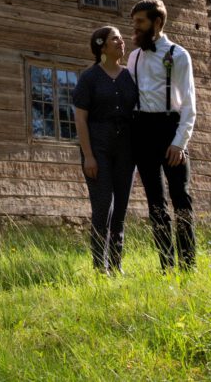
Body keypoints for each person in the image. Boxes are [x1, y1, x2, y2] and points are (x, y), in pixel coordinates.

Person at [127, 0, 197, 270]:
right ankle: (166, 265)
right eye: (134, 23)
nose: (135, 28)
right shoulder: (133, 57)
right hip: (142, 131)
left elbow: (190, 105)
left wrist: (180, 143)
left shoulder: (178, 55)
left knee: (181, 199)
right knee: (155, 202)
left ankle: (188, 265)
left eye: (140, 22)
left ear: (157, 23)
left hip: (170, 128)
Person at [72, 26, 138, 274]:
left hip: (126, 150)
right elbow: (80, 119)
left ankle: (117, 265)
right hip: (97, 147)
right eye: (115, 39)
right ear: (102, 46)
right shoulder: (89, 78)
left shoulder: (131, 76)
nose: (121, 42)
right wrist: (88, 155)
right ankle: (101, 267)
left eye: (121, 38)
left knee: (120, 208)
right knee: (103, 207)